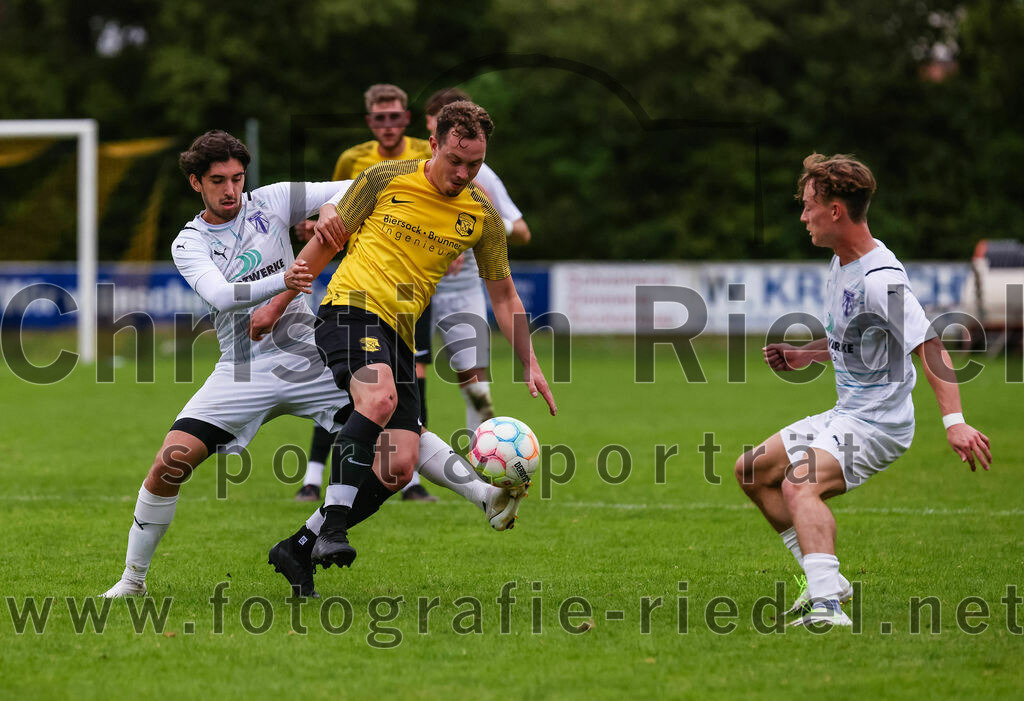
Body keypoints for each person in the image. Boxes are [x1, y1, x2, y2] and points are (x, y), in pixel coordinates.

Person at [101, 130, 522, 599]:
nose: (231, 190)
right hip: (242, 368)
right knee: (170, 462)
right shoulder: (189, 241)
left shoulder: (274, 200)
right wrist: (285, 278)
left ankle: (482, 496)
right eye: (218, 180)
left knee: (400, 438)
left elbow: (359, 186)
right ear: (196, 183)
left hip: (310, 354)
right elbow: (219, 294)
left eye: (238, 178)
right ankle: (132, 580)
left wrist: (329, 212)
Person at [251, 100, 557, 575]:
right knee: (377, 399)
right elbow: (327, 240)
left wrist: (530, 362)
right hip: (350, 309)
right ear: (433, 143)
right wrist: (275, 305)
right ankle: (333, 529)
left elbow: (504, 295)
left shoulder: (482, 215)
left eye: (474, 164)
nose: (462, 172)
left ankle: (297, 547)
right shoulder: (384, 177)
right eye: (454, 160)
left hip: (399, 330)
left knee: (400, 464)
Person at [734, 153, 992, 627]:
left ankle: (827, 607)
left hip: (879, 424)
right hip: (847, 412)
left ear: (835, 210)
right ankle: (824, 582)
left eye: (810, 204)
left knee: (799, 486)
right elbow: (855, 338)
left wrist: (954, 423)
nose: (803, 215)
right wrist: (804, 354)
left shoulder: (881, 281)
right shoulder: (842, 264)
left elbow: (930, 346)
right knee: (751, 470)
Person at [294, 83, 436, 503]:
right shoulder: (354, 160)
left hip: (410, 286)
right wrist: (317, 221)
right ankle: (313, 478)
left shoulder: (429, 154)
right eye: (380, 117)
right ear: (369, 120)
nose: (388, 125)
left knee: (414, 378)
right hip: (360, 282)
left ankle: (409, 479)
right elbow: (337, 206)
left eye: (395, 116)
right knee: (351, 388)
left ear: (406, 118)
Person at [413, 87, 532, 434]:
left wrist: (483, 228)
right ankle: (413, 475)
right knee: (404, 376)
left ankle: (484, 463)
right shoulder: (408, 170)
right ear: (432, 130)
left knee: (476, 382)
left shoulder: (481, 173)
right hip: (413, 287)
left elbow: (522, 231)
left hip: (461, 290)